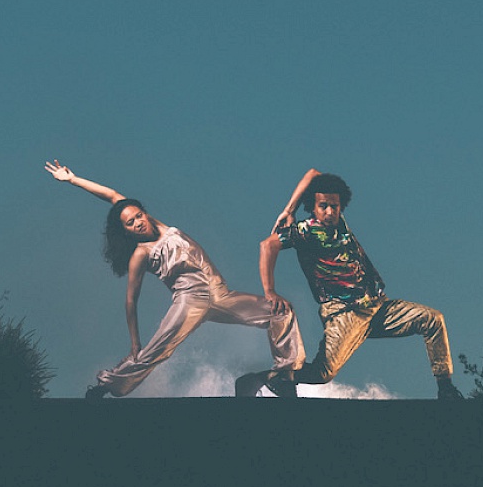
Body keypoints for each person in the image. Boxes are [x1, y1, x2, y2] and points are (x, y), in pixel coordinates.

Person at [45, 160, 305, 398]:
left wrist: (73, 178)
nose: (137, 223)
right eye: (130, 223)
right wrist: (135, 341)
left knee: (280, 312)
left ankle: (284, 375)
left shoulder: (158, 226)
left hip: (220, 294)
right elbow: (130, 301)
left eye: (138, 216)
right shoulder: (140, 254)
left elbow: (114, 196)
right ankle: (106, 386)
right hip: (189, 301)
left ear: (145, 213)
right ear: (125, 231)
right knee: (156, 352)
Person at [249, 168, 464, 400]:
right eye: (323, 206)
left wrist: (289, 208)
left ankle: (446, 389)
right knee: (323, 373)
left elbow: (313, 173)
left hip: (378, 306)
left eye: (335, 206)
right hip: (345, 314)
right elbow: (267, 246)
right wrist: (270, 291)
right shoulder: (306, 230)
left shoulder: (339, 223)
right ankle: (275, 379)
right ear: (313, 206)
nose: (330, 211)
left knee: (432, 319)